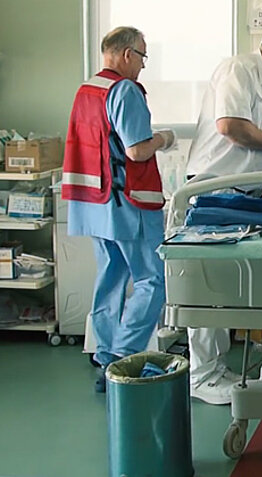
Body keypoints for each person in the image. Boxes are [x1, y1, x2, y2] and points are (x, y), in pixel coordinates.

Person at [184, 19, 262, 405]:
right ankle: (201, 376)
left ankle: (217, 365)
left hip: (245, 191)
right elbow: (230, 126)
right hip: (215, 189)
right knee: (210, 285)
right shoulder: (237, 69)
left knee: (228, 285)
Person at [63, 26, 175, 393]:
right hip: (126, 202)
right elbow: (137, 150)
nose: (143, 66)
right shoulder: (123, 90)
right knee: (152, 279)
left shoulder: (86, 90)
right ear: (127, 54)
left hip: (93, 202)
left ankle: (105, 353)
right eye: (143, 58)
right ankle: (123, 358)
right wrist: (166, 137)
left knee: (111, 274)